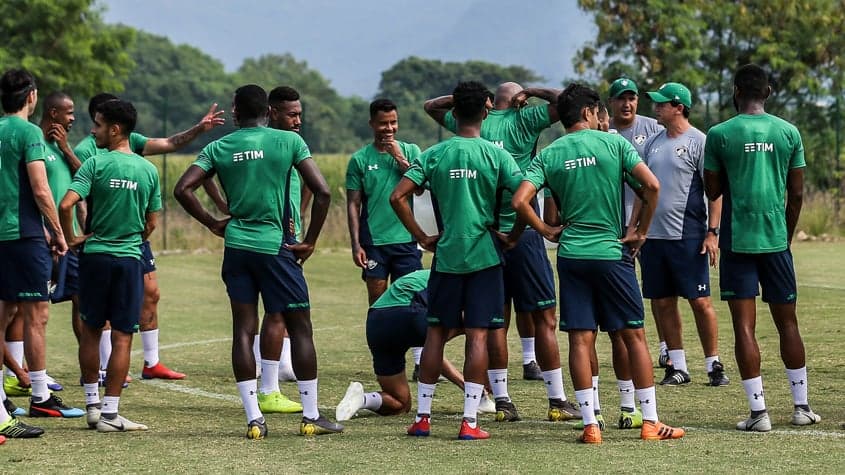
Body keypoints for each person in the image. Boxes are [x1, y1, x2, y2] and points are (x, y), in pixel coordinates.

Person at [511, 83, 684, 444]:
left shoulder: (550, 153)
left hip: (572, 255)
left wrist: (545, 229)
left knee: (580, 338)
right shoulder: (614, 143)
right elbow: (651, 187)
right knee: (633, 334)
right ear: (590, 112)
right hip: (610, 253)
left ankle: (591, 424)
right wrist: (641, 231)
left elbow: (520, 201)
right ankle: (650, 422)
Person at [174, 84, 342, 438]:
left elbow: (182, 188)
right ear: (268, 110)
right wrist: (309, 241)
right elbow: (324, 191)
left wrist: (213, 222)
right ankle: (311, 417)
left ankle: (254, 420)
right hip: (276, 247)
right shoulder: (289, 143)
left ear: (236, 112)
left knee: (243, 329)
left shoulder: (218, 147)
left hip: (236, 248)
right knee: (300, 328)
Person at [425, 82, 578, 421]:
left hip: (484, 235)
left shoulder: (475, 122)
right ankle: (556, 401)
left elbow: (431, 106)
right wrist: (534, 91)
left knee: (494, 322)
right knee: (544, 318)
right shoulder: (526, 120)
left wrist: (468, 100)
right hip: (519, 233)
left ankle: (503, 401)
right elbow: (566, 102)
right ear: (519, 102)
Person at [391, 80, 523, 441]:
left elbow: (397, 196)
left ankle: (422, 419)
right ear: (486, 109)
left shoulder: (435, 154)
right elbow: (522, 196)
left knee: (435, 334)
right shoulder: (496, 155)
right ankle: (469, 422)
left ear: (453, 112)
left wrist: (421, 237)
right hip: (483, 256)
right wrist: (513, 235)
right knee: (478, 336)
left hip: (446, 256)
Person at [74, 93, 225, 382]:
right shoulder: (87, 151)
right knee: (102, 311)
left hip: (134, 238)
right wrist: (86, 234)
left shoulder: (133, 143)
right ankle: (105, 367)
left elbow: (170, 143)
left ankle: (151, 362)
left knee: (152, 293)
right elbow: (80, 195)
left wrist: (199, 128)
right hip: (102, 241)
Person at [703, 63, 819, 431]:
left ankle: (759, 414)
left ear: (736, 92)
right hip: (775, 242)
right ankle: (801, 408)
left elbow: (712, 191)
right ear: (767, 93)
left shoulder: (719, 134)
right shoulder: (788, 132)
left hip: (738, 241)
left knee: (744, 327)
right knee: (788, 324)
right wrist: (785, 236)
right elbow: (797, 194)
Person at [60, 99, 160, 432]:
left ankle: (91, 406)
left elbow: (66, 203)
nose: (93, 130)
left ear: (115, 129)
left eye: (98, 124)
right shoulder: (148, 170)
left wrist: (73, 237)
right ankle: (110, 414)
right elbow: (152, 222)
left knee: (90, 331)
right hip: (128, 259)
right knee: (122, 338)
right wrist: (132, 235)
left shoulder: (95, 164)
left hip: (94, 257)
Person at [633, 82, 730, 387]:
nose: (656, 108)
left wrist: (712, 233)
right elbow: (642, 189)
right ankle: (678, 365)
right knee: (662, 302)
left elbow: (715, 193)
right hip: (654, 238)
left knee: (699, 300)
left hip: (688, 235)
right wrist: (634, 228)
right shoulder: (652, 143)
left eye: (662, 103)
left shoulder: (699, 142)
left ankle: (713, 363)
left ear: (678, 107)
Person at [0, 69, 74, 440]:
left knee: (2, 317)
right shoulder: (28, 133)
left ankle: (1, 403)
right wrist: (58, 232)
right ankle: (42, 395)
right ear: (31, 96)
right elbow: (41, 190)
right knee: (37, 315)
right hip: (23, 235)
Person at [334, 269, 495, 421]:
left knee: (401, 404)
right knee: (472, 329)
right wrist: (469, 383)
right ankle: (478, 395)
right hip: (409, 313)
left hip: (376, 323)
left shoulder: (432, 275)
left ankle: (361, 399)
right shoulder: (463, 282)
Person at [246, 86, 314, 416]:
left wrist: (298, 217)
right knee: (278, 311)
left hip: (286, 235)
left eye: (300, 114)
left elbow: (309, 188)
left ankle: (277, 373)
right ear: (272, 113)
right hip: (273, 240)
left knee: (281, 312)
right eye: (291, 114)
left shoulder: (291, 144)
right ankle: (268, 388)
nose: (298, 120)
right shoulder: (274, 145)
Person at [608, 78, 671, 367]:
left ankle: (666, 346)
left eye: (631, 98)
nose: (627, 104)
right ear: (610, 103)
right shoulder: (603, 131)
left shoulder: (653, 128)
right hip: (613, 223)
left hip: (647, 222)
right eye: (621, 98)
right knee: (621, 287)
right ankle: (626, 343)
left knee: (657, 289)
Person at [346, 99, 422, 304]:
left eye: (393, 122)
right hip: (374, 243)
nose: (389, 128)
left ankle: (407, 338)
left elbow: (421, 188)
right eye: (383, 123)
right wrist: (355, 245)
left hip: (407, 240)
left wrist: (399, 158)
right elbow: (353, 204)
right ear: (372, 124)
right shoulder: (359, 159)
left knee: (410, 301)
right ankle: (379, 337)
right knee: (378, 303)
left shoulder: (412, 151)